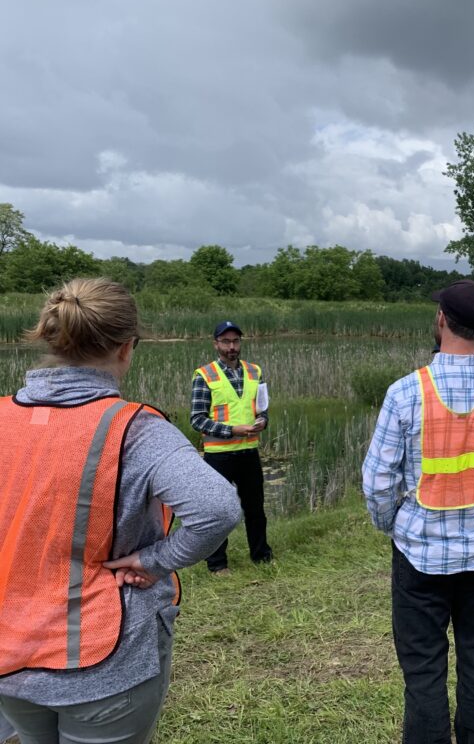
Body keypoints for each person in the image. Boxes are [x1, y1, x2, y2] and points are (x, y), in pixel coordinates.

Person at [0, 278, 240, 744]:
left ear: (50, 338)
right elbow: (216, 509)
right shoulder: (135, 429)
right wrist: (152, 561)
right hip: (104, 663)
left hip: (10, 658)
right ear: (127, 348)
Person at [362, 279, 474, 744]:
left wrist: (394, 525)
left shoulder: (406, 392)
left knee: (423, 669)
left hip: (419, 557)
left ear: (441, 319)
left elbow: (378, 483)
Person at [190, 321, 273, 573]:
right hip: (219, 456)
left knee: (255, 509)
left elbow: (262, 409)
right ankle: (217, 564)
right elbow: (197, 419)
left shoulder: (255, 371)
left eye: (235, 341)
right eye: (225, 342)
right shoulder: (204, 375)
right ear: (216, 344)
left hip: (249, 452)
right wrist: (232, 430)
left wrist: (262, 421)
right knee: (217, 511)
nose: (231, 347)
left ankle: (262, 557)